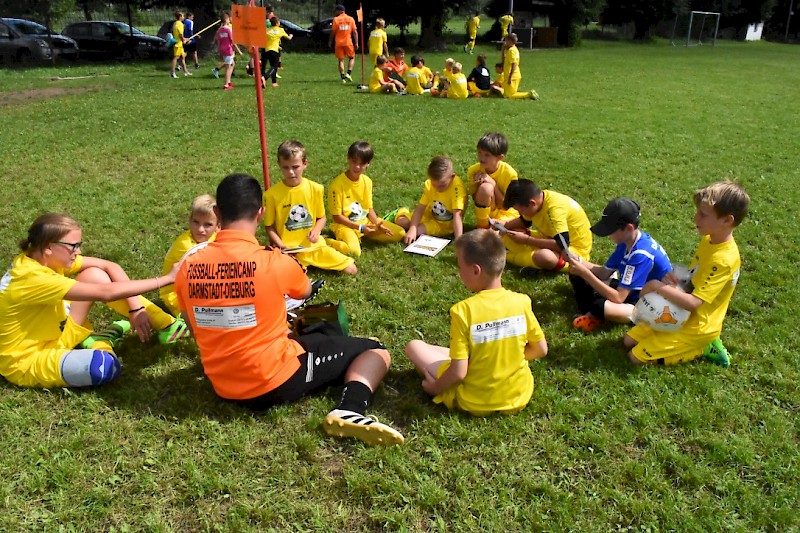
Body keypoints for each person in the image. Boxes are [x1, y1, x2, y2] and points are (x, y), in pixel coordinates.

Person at [175, 174, 404, 445]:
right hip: (274, 381)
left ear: (217, 213)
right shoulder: (273, 261)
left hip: (222, 385)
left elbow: (195, 328)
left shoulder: (188, 266)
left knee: (313, 338)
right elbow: (305, 291)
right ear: (260, 213)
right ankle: (350, 410)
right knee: (374, 349)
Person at [0, 214, 189, 389]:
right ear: (49, 247)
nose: (79, 251)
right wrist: (166, 279)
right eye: (73, 246)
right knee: (104, 367)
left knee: (95, 275)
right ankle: (100, 342)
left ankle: (169, 325)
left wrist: (136, 309)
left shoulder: (41, 258)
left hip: (56, 332)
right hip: (27, 361)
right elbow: (107, 293)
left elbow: (108, 265)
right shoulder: (31, 277)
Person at [405, 230, 547, 416]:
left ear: (475, 270)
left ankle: (475, 358)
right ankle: (480, 356)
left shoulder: (463, 311)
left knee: (414, 346)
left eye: (459, 266)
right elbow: (540, 349)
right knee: (462, 355)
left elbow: (458, 374)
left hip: (474, 400)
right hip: (518, 395)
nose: (459, 272)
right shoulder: (521, 302)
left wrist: (435, 388)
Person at [623, 180, 749, 367]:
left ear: (727, 220)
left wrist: (658, 287)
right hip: (680, 313)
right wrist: (676, 281)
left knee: (635, 357)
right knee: (628, 341)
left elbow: (694, 303)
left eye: (703, 215)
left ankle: (702, 347)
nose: (696, 218)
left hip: (697, 327)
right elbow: (694, 281)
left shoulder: (723, 260)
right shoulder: (709, 240)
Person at [568, 197, 672, 333]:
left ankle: (595, 313)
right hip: (630, 290)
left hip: (647, 303)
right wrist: (579, 261)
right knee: (577, 275)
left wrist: (584, 273)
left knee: (601, 305)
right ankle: (590, 312)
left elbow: (618, 297)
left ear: (628, 228)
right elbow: (604, 273)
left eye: (611, 231)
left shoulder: (640, 254)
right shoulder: (626, 241)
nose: (609, 235)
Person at [263, 140, 357, 275]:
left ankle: (327, 244)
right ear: (279, 165)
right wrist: (282, 246)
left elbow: (321, 218)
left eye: (295, 167)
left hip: (314, 246)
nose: (291, 172)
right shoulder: (272, 195)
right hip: (291, 251)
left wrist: (316, 231)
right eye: (285, 167)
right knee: (288, 278)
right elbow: (269, 227)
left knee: (351, 269)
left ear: (305, 164)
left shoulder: (315, 189)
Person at [494, 179, 592, 272]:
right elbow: (525, 222)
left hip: (573, 251)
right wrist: (505, 224)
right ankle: (519, 253)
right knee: (513, 231)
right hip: (551, 238)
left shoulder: (554, 211)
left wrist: (526, 240)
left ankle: (506, 257)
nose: (520, 213)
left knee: (544, 257)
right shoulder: (541, 198)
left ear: (532, 203)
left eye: (520, 210)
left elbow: (562, 245)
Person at [327, 141, 406, 257]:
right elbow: (337, 217)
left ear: (368, 163)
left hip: (365, 223)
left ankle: (366, 234)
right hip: (346, 226)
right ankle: (326, 241)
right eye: (354, 161)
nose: (357, 167)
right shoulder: (337, 185)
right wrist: (360, 228)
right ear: (348, 159)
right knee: (354, 252)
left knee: (400, 233)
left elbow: (369, 209)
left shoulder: (367, 181)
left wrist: (378, 224)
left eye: (362, 163)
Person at [160, 194, 219, 316]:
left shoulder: (214, 236)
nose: (200, 229)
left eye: (208, 225)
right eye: (196, 222)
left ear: (218, 226)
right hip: (176, 296)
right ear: (190, 220)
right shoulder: (186, 246)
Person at [396, 156, 465, 244]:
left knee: (418, 232)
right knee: (401, 221)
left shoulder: (457, 189)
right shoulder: (429, 185)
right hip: (427, 214)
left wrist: (459, 242)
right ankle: (402, 211)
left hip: (442, 225)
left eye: (442, 185)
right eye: (434, 185)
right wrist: (412, 228)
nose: (437, 189)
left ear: (452, 176)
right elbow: (420, 208)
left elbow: (457, 215)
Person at [466, 132, 519, 229]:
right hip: (489, 212)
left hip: (507, 215)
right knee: (485, 188)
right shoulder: (473, 171)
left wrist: (493, 184)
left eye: (487, 155)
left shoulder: (510, 174)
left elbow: (506, 206)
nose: (482, 158)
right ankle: (482, 227)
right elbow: (476, 201)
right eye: (480, 153)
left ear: (500, 158)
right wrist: (477, 186)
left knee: (505, 235)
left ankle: (494, 229)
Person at [501, 33, 539, 100]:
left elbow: (514, 64)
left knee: (509, 96)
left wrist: (510, 77)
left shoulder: (511, 51)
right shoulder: (514, 49)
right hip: (512, 75)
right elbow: (503, 61)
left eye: (506, 40)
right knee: (506, 94)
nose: (505, 42)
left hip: (512, 76)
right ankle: (529, 94)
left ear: (510, 41)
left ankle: (528, 94)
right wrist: (503, 50)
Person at [212, 11, 241, 91]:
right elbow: (232, 41)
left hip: (222, 49)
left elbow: (218, 41)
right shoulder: (228, 29)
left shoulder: (219, 30)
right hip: (228, 49)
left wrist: (219, 50)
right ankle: (226, 84)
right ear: (226, 19)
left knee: (232, 64)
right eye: (229, 19)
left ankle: (229, 82)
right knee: (228, 67)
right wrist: (238, 50)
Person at [262, 16, 293, 88]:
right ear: (277, 23)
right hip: (274, 50)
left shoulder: (267, 30)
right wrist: (291, 35)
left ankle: (274, 82)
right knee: (274, 67)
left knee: (272, 66)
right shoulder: (280, 30)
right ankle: (265, 78)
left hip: (267, 50)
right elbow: (288, 38)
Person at [329, 4, 358, 83]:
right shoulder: (351, 19)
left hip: (338, 43)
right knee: (352, 57)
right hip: (348, 42)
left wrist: (330, 41)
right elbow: (355, 32)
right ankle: (348, 73)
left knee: (341, 60)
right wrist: (356, 42)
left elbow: (333, 31)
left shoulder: (336, 19)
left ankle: (342, 78)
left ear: (339, 11)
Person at [170, 11, 191, 79]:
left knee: (182, 57)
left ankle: (185, 71)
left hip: (179, 43)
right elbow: (180, 34)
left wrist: (185, 39)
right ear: (180, 17)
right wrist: (184, 40)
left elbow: (178, 35)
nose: (183, 17)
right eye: (183, 16)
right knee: (176, 57)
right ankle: (172, 73)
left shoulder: (175, 23)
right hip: (178, 44)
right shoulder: (180, 24)